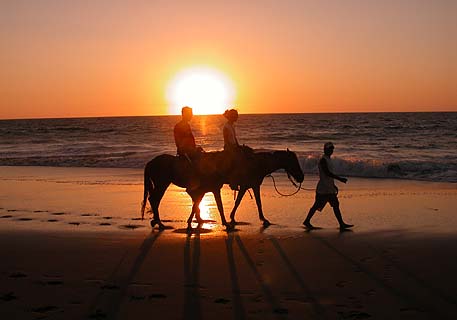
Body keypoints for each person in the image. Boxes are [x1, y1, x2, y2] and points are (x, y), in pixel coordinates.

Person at [303, 142, 353, 230]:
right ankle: (307, 221)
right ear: (325, 149)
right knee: (317, 205)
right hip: (323, 188)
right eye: (330, 149)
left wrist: (333, 185)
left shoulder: (329, 159)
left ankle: (341, 223)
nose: (331, 150)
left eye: (332, 149)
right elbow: (327, 173)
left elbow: (329, 175)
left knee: (335, 204)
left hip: (329, 188)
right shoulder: (323, 160)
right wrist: (340, 179)